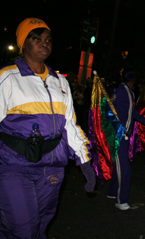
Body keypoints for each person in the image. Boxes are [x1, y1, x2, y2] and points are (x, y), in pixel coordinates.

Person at [0, 18, 95, 238]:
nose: (45, 43)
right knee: (23, 229)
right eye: (37, 38)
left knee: (40, 226)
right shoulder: (7, 77)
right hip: (14, 167)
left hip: (52, 169)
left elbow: (70, 125)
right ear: (24, 43)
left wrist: (85, 161)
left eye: (48, 40)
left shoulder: (60, 82)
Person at [107, 68, 145, 210]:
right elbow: (109, 110)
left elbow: (133, 113)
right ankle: (121, 200)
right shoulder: (121, 91)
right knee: (124, 167)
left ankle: (112, 192)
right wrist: (118, 130)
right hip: (119, 135)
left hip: (124, 134)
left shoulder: (129, 92)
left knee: (120, 165)